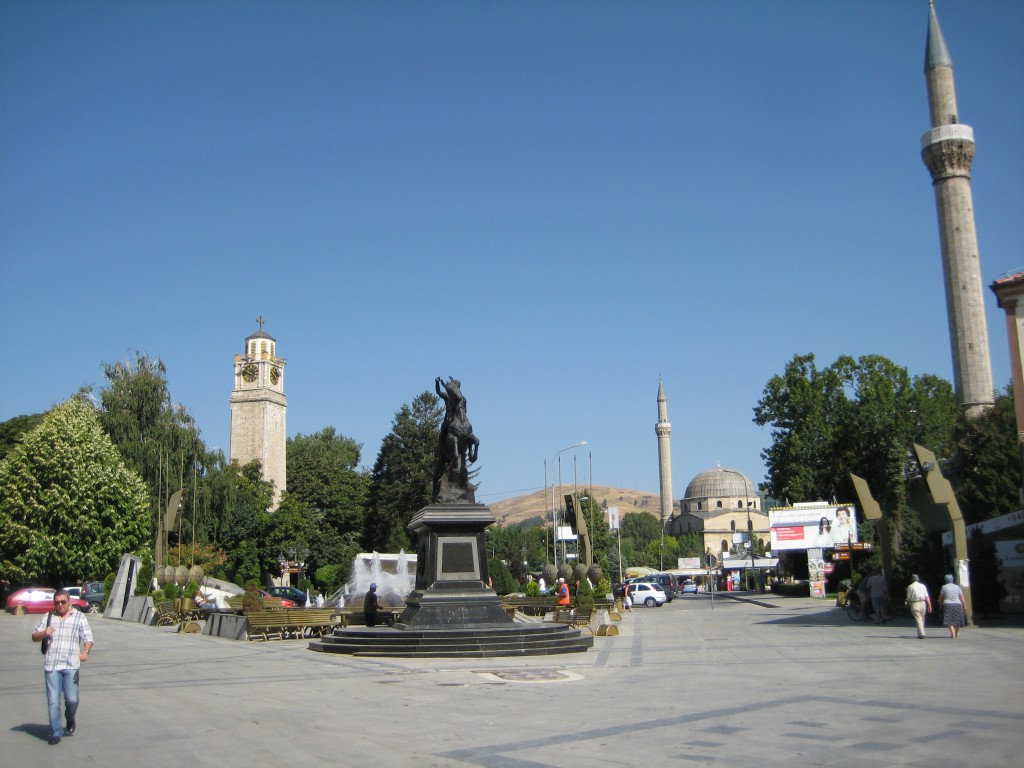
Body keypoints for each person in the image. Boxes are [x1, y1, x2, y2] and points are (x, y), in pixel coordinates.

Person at [32, 588, 94, 745]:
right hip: (52, 665)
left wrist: (85, 651)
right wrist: (44, 632)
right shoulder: (48, 617)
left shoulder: (79, 617)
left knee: (72, 700)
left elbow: (88, 637)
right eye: (56, 603)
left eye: (62, 602)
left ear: (69, 602)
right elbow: (34, 636)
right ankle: (55, 732)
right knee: (53, 700)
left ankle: (70, 717)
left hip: (71, 665)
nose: (59, 605)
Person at [938, 574, 967, 639]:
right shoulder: (957, 587)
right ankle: (956, 633)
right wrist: (964, 605)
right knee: (958, 620)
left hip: (947, 604)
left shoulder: (944, 587)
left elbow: (941, 597)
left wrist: (940, 604)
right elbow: (961, 596)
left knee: (949, 619)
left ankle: (952, 633)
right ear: (952, 579)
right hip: (957, 604)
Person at [905, 574, 932, 639]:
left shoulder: (910, 586)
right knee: (922, 618)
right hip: (923, 603)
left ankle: (922, 634)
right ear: (918, 579)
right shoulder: (923, 586)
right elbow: (927, 596)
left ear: (912, 580)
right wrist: (930, 606)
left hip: (915, 603)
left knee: (918, 619)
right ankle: (920, 633)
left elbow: (908, 597)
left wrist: (907, 603)